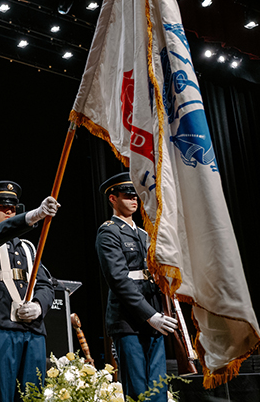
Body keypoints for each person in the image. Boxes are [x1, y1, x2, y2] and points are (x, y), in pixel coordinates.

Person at [0, 180, 59, 402]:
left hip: (33, 329)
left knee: (32, 394)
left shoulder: (28, 247)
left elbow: (45, 284)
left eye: (13, 207)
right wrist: (32, 216)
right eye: (2, 206)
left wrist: (38, 305)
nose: (9, 210)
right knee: (1, 394)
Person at [95, 172, 177, 402]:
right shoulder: (109, 232)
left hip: (153, 314)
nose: (133, 200)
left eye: (135, 196)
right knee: (138, 389)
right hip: (128, 319)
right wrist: (150, 315)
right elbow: (119, 281)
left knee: (158, 387)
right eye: (127, 195)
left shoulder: (143, 233)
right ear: (113, 198)